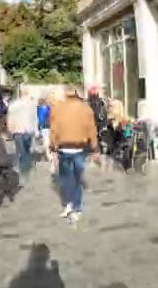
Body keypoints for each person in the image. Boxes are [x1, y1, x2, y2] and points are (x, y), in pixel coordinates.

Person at [50, 87, 98, 223]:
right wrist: (95, 148)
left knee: (65, 179)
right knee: (77, 178)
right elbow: (91, 129)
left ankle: (68, 204)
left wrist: (52, 146)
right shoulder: (85, 109)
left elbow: (54, 129)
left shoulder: (57, 108)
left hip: (63, 148)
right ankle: (77, 207)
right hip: (79, 148)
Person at [6, 90, 38, 187]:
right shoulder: (31, 104)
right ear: (27, 94)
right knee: (26, 151)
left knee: (20, 151)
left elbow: (9, 118)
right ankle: (23, 171)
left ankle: (19, 169)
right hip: (28, 131)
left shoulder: (14, 104)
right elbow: (35, 118)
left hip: (18, 131)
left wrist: (10, 129)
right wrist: (36, 130)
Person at [37, 98, 54, 173]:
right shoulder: (49, 108)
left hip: (45, 127)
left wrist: (39, 128)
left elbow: (40, 119)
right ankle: (50, 155)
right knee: (49, 141)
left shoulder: (40, 109)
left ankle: (49, 156)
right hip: (50, 127)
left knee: (46, 141)